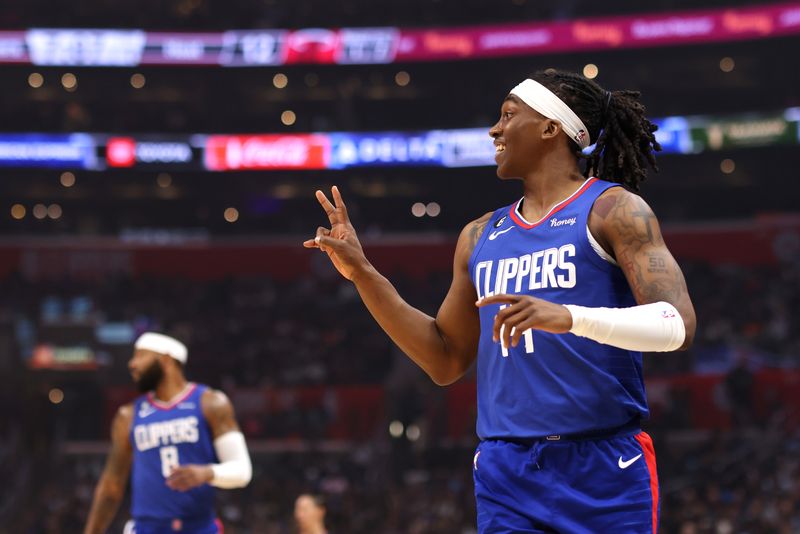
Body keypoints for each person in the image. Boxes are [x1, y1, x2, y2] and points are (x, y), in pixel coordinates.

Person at [305, 68, 696, 533]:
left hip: (604, 466)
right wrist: (363, 275)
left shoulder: (613, 210)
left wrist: (570, 317)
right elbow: (445, 359)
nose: (495, 129)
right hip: (505, 470)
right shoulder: (479, 235)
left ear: (552, 127)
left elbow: (677, 325)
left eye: (508, 116)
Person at [84, 332, 252, 534]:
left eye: (140, 356)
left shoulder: (211, 403)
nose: (132, 364)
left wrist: (207, 473)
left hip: (199, 528)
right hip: (147, 529)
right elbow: (111, 485)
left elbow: (242, 470)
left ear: (165, 360)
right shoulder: (128, 415)